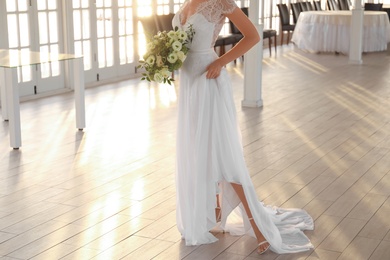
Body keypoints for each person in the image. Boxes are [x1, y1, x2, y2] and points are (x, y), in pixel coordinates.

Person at [173, 0, 314, 254]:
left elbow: (252, 36)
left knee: (224, 156)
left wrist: (220, 62)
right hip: (188, 83)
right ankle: (214, 212)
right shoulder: (185, 4)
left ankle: (259, 227)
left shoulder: (219, 2)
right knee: (198, 150)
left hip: (208, 80)